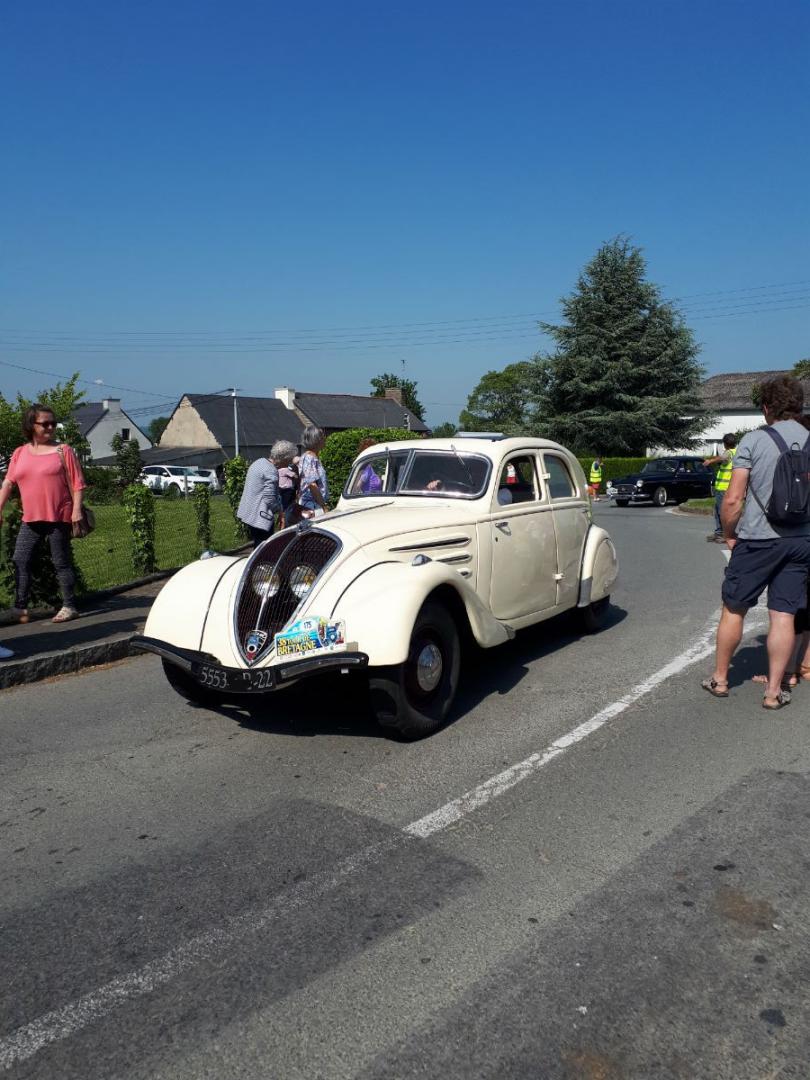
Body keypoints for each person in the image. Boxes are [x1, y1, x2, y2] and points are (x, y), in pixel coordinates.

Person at [702, 376, 810, 710]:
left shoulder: (754, 440)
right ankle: (774, 691)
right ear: (798, 405)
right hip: (800, 541)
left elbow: (734, 499)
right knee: (784, 614)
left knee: (734, 608)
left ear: (766, 408)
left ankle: (720, 679)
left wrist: (729, 532)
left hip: (757, 539)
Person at [0, 404, 86, 623]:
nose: (50, 427)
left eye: (53, 423)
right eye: (45, 423)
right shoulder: (20, 453)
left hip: (59, 516)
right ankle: (20, 608)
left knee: (60, 561)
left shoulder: (63, 451)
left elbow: (77, 483)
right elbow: (8, 483)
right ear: (31, 425)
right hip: (30, 518)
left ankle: (69, 606)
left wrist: (76, 510)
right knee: (20, 559)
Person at [237, 440, 297, 548]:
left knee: (257, 545)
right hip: (260, 517)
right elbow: (269, 498)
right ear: (283, 458)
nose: (289, 463)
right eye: (289, 460)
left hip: (248, 512)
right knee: (264, 548)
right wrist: (280, 510)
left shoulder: (258, 462)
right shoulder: (271, 470)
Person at [704, 433, 738, 542]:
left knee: (722, 512)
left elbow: (722, 458)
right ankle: (719, 532)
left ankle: (724, 534)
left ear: (725, 444)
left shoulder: (729, 453)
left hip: (724, 488)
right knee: (719, 511)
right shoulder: (736, 452)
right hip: (726, 487)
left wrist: (710, 461)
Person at [297, 426, 328, 516]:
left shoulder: (313, 458)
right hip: (311, 507)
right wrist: (324, 506)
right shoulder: (309, 458)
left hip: (316, 504)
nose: (325, 439)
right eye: (322, 436)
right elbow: (312, 485)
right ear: (316, 440)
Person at [277, 455, 300, 525]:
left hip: (280, 490)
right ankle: (287, 521)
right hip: (288, 491)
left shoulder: (278, 470)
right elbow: (295, 476)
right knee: (289, 507)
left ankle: (281, 522)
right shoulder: (286, 470)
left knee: (283, 506)